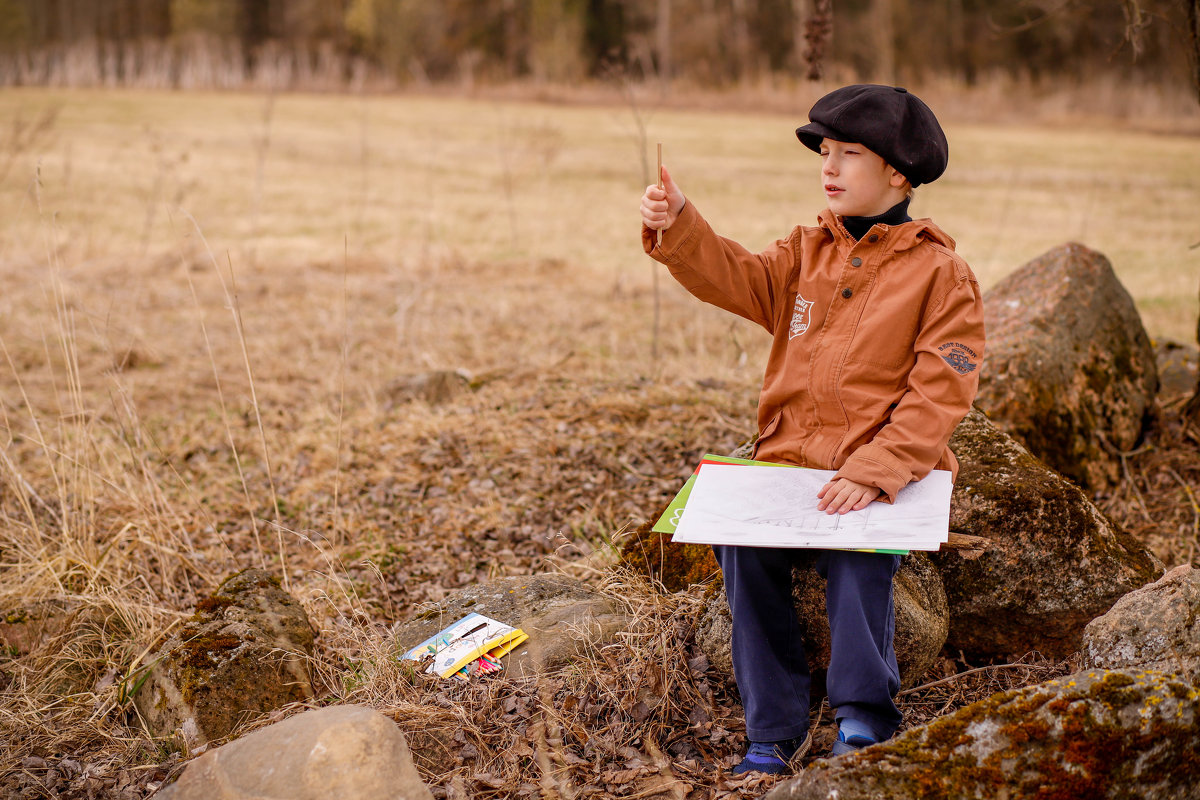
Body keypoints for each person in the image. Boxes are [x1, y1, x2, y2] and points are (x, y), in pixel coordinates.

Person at [638, 84, 985, 775]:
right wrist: (680, 222)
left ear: (898, 172)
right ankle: (771, 731)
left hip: (875, 476)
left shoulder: (941, 275)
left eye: (849, 154)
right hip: (788, 467)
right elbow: (734, 277)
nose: (829, 167)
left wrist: (876, 469)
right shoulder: (803, 254)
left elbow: (941, 390)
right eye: (825, 152)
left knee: (861, 561)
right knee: (740, 549)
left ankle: (863, 719)